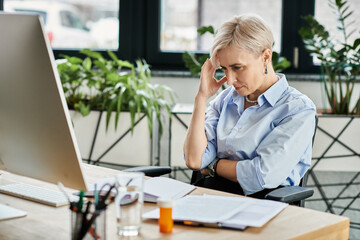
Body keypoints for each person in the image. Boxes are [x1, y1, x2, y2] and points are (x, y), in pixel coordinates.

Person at [183, 14, 316, 198]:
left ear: (265, 57)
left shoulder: (297, 110)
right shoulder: (225, 100)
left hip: (262, 204)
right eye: (224, 69)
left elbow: (262, 175)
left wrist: (213, 166)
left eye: (237, 67)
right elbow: (194, 160)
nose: (229, 81)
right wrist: (201, 97)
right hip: (210, 195)